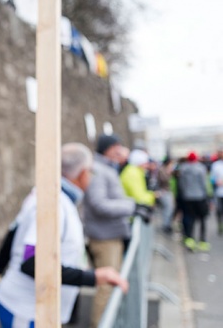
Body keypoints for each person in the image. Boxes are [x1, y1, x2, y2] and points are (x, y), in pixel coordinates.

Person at [0, 143, 128, 328]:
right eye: (90, 172)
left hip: (33, 309)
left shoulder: (50, 197)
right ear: (82, 173)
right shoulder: (54, 205)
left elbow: (13, 233)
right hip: (26, 310)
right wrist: (94, 277)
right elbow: (31, 262)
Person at [82, 134, 138, 328]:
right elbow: (99, 204)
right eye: (117, 147)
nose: (121, 151)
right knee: (106, 287)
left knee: (110, 285)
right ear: (109, 148)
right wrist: (132, 207)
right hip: (104, 238)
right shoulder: (98, 170)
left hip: (111, 235)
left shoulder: (106, 168)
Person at [178, 151, 211, 252]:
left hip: (188, 197)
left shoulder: (183, 168)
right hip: (200, 197)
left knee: (190, 218)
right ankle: (202, 241)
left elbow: (181, 184)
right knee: (202, 219)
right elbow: (204, 183)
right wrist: (208, 195)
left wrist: (184, 194)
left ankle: (190, 239)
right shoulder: (200, 168)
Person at [157, 157, 176, 234]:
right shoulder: (162, 170)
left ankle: (168, 224)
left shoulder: (166, 169)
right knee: (167, 209)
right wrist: (169, 173)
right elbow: (164, 180)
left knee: (170, 208)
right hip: (164, 191)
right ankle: (166, 225)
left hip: (168, 191)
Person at [209, 148, 223, 235]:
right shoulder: (215, 165)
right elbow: (211, 179)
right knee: (219, 211)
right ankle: (220, 225)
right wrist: (216, 182)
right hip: (219, 192)